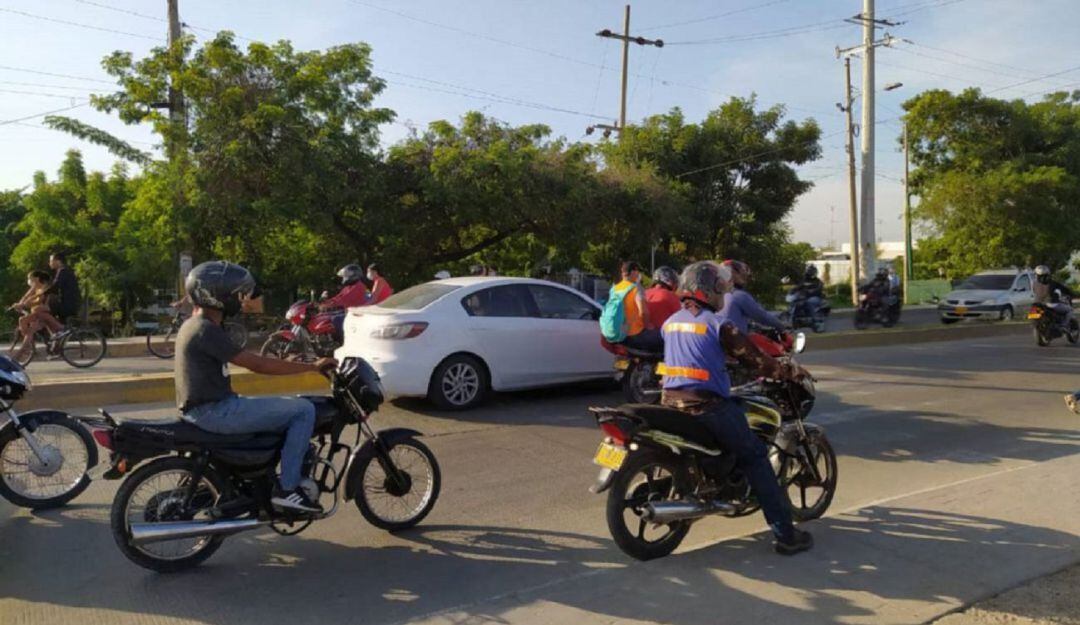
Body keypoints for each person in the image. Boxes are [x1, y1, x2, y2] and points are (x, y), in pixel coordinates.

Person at [660, 261, 813, 555]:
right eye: (719, 288)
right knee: (756, 456)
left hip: (671, 402)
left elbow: (694, 357)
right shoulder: (717, 325)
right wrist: (787, 372)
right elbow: (758, 362)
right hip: (707, 406)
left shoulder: (671, 323)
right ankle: (786, 536)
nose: (723, 294)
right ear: (706, 290)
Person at [177, 260, 336, 514]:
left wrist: (288, 361)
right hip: (215, 412)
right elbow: (257, 364)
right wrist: (312, 366)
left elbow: (247, 357)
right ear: (219, 296)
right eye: (237, 294)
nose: (241, 300)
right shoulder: (206, 329)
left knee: (281, 408)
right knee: (303, 410)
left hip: (207, 408)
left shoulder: (197, 324)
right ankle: (288, 490)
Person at [716, 259, 786, 334]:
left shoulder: (717, 295)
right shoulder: (739, 295)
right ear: (733, 274)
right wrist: (782, 326)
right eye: (742, 273)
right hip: (734, 342)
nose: (745, 278)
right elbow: (762, 316)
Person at [610, 261, 661, 352]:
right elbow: (643, 312)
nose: (638, 274)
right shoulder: (635, 288)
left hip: (618, 335)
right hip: (634, 334)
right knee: (663, 337)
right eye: (637, 271)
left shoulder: (614, 289)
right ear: (633, 272)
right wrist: (647, 325)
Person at [8, 270, 53, 358]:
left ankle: (25, 349)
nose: (29, 281)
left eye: (30, 279)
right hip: (35, 314)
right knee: (22, 321)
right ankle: (29, 347)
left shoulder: (44, 288)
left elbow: (38, 301)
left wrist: (23, 304)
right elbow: (26, 296)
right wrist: (19, 304)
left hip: (43, 314)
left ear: (36, 279)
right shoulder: (35, 287)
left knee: (30, 329)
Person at [320, 264, 370, 340]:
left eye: (347, 275)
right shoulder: (349, 287)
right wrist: (324, 303)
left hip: (358, 315)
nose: (344, 277)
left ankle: (345, 341)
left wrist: (328, 305)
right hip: (349, 313)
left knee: (335, 319)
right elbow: (338, 297)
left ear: (355, 275)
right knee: (327, 316)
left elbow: (344, 299)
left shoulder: (359, 286)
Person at [645, 266, 682, 330]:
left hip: (641, 334)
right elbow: (681, 318)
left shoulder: (644, 293)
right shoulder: (671, 296)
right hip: (662, 334)